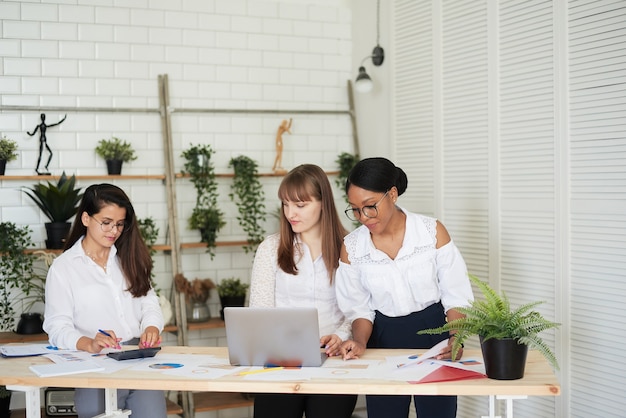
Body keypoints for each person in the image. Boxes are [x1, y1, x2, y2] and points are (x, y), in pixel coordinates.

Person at [335, 157, 474, 418]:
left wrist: (456, 338)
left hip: (435, 335)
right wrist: (359, 342)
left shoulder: (431, 232)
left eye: (370, 207)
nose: (363, 217)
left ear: (393, 194)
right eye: (354, 209)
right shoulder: (352, 247)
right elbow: (360, 310)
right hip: (382, 337)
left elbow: (455, 294)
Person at [43, 183, 166, 418]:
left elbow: (149, 301)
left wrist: (151, 326)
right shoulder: (64, 268)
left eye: (119, 224)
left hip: (139, 360)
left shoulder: (129, 257)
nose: (114, 231)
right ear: (87, 218)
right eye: (106, 222)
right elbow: (56, 327)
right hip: (95, 365)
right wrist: (89, 343)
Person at [249, 164, 357, 418]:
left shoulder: (351, 248)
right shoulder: (270, 248)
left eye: (300, 205)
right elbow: (260, 310)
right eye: (286, 204)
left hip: (333, 363)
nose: (290, 213)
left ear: (323, 203)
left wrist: (341, 335)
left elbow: (359, 310)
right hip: (279, 363)